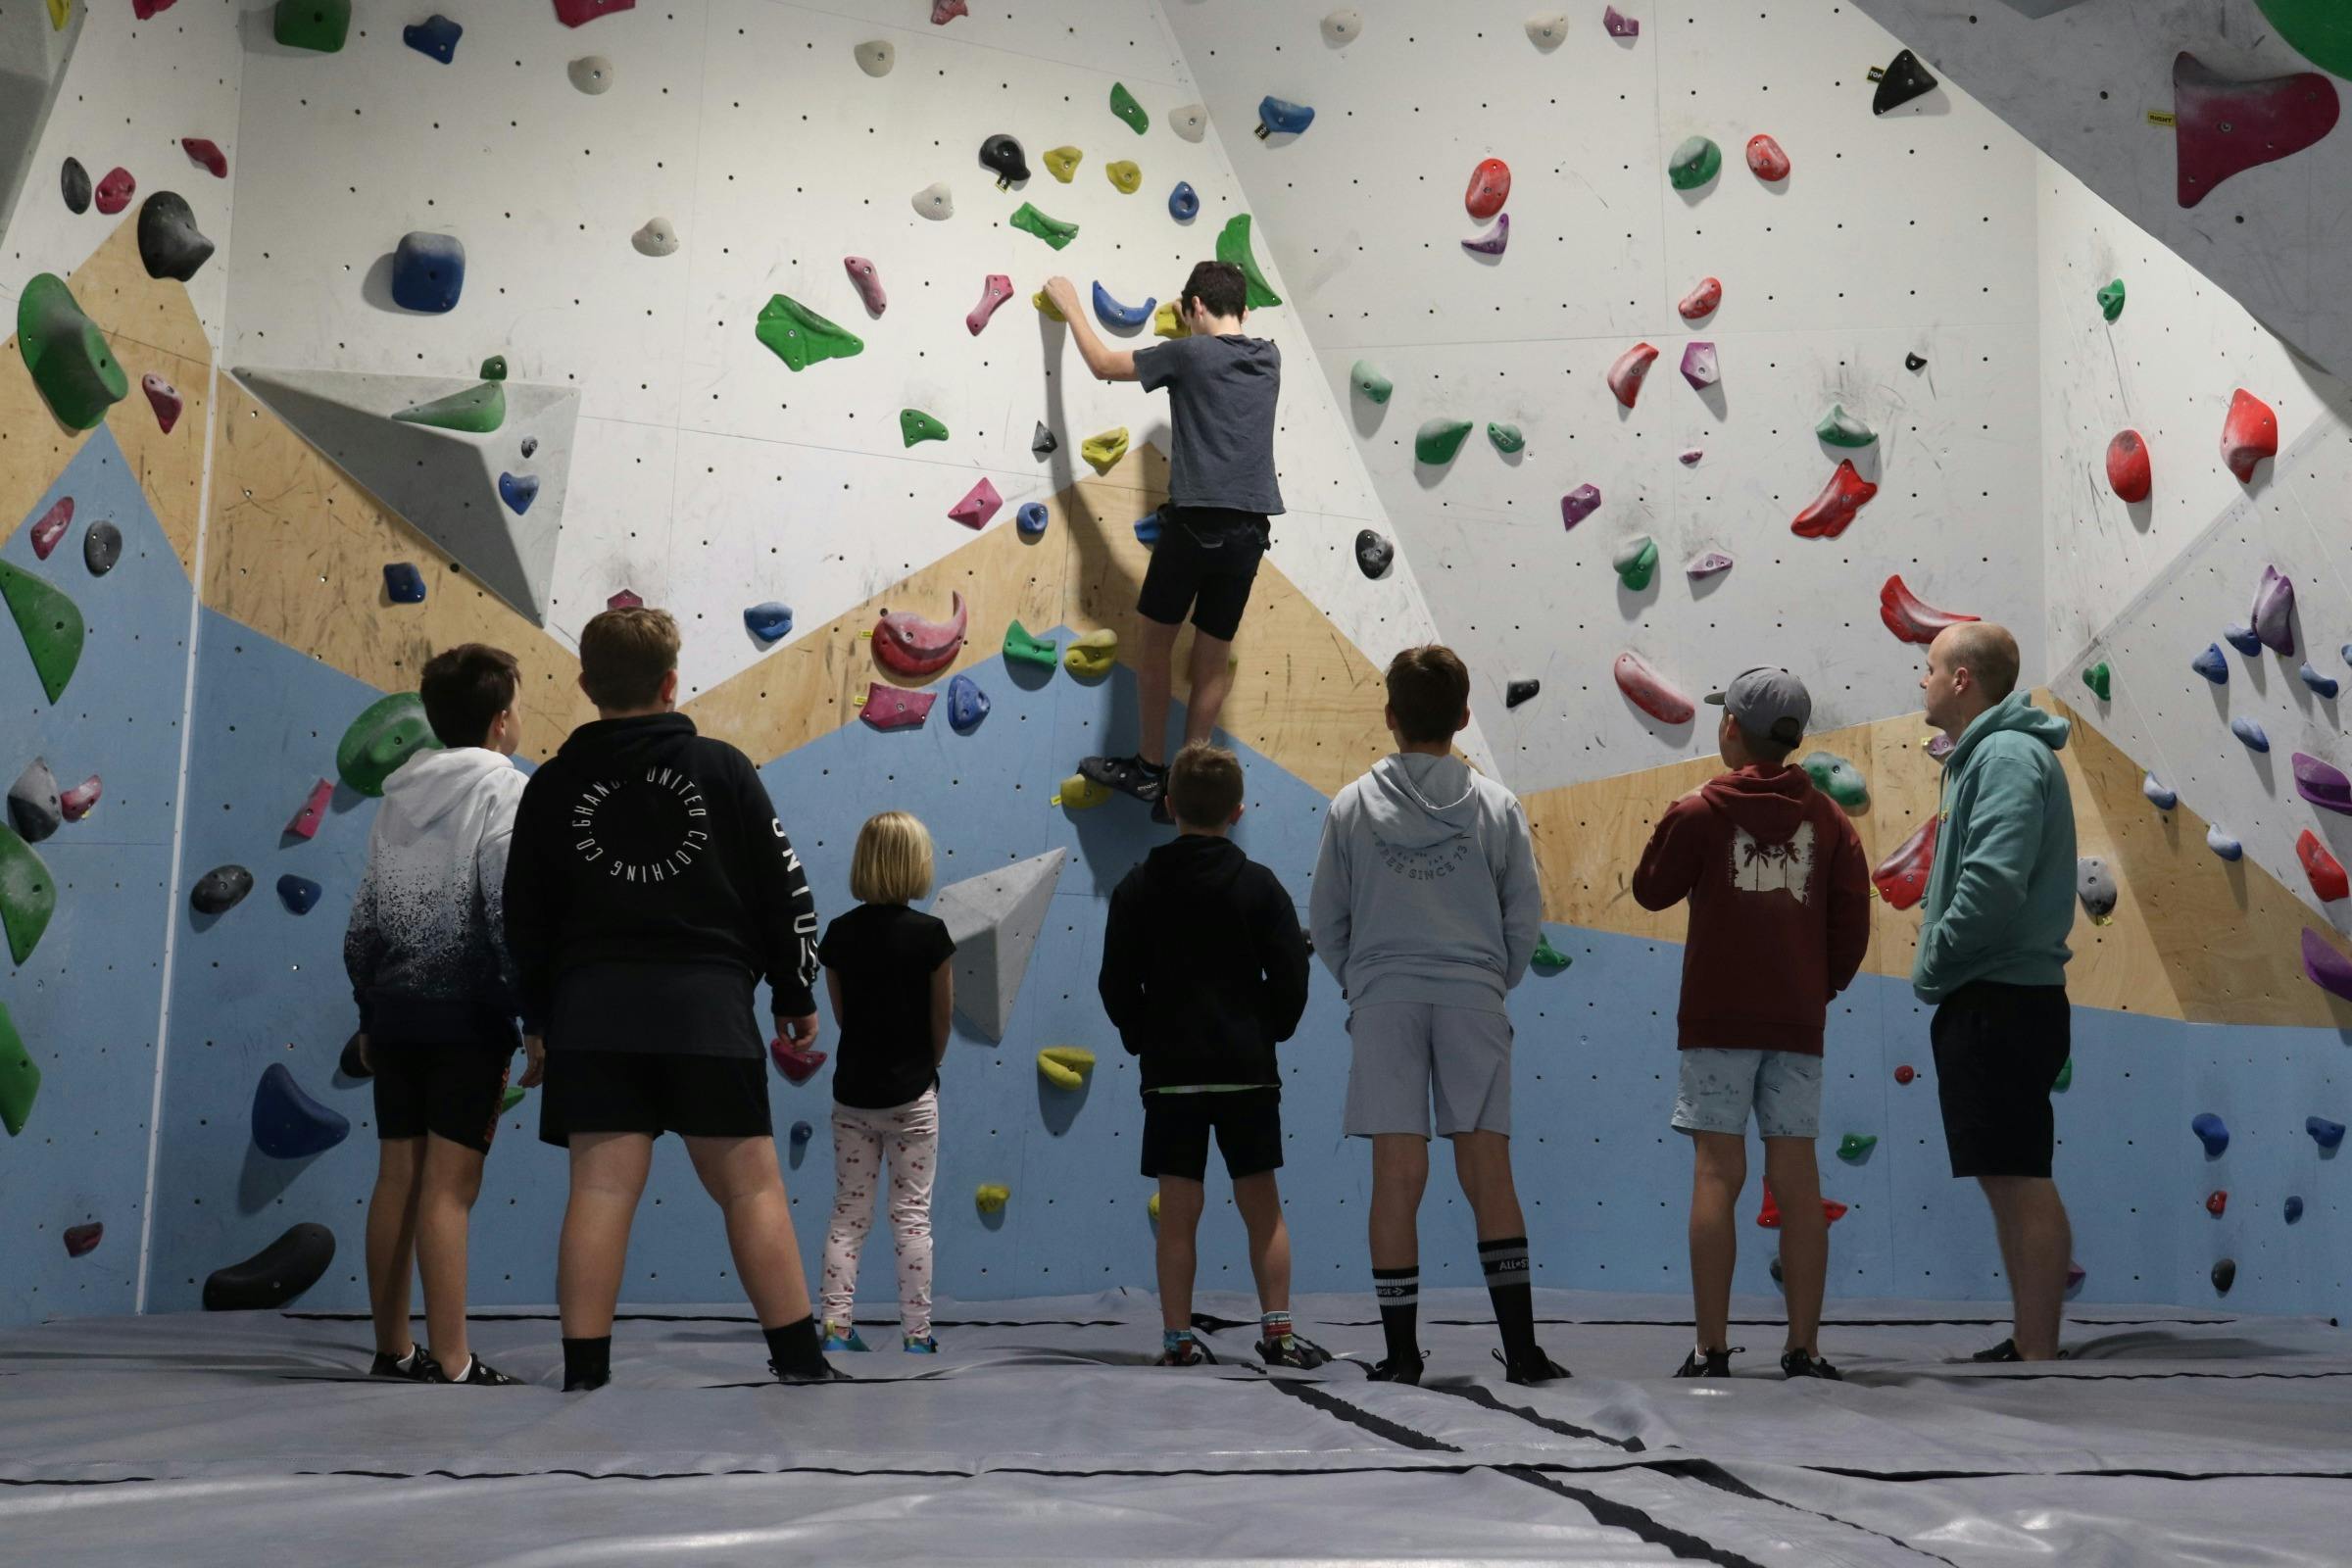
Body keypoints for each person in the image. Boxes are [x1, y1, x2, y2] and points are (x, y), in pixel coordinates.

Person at [503, 607, 840, 1390]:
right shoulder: (724, 770)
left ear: (584, 684)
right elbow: (785, 890)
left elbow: (523, 916)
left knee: (600, 1188)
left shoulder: (551, 787)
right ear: (670, 683)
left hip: (593, 1012)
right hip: (706, 1008)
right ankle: (799, 1363)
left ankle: (584, 1374)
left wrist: (537, 1019)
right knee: (750, 1187)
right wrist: (796, 989)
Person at [1307, 646, 1566, 1386]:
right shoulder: (1497, 805)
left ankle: (1401, 1354)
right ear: (1463, 717)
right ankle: (1521, 1353)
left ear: (1390, 717)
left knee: (1397, 1170)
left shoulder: (1352, 804)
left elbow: (1327, 920)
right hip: (1474, 997)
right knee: (1488, 1168)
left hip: (1384, 996)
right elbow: (1523, 916)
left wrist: (1363, 981)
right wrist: (1492, 980)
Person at [1631, 667, 1871, 1381]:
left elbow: (1650, 891)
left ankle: (1710, 1349)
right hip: (1796, 1022)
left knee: (1716, 1170)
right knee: (1796, 1173)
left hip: (1716, 1020)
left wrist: (1673, 823)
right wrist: (1814, 989)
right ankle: (1804, 1348)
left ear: (1730, 726)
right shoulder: (1830, 821)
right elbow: (1851, 925)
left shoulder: (1700, 810)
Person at [346, 643, 535, 1387]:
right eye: (516, 705)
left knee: (397, 1176)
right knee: (449, 1191)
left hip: (393, 1013)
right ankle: (454, 1358)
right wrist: (536, 1017)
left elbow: (365, 921)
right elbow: (505, 911)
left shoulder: (396, 797)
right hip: (466, 1015)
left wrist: (369, 1009)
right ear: (498, 722)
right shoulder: (505, 791)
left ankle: (394, 1349)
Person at [1099, 744, 1323, 1369]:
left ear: (1168, 807)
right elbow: (1291, 975)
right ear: (1238, 810)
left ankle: (1176, 1340)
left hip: (1171, 1074)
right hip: (1246, 1071)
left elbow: (1116, 984)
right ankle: (1277, 1335)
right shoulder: (1261, 886)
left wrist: (1143, 1035)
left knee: (1178, 1212)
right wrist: (1270, 1030)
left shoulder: (1137, 887)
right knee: (1261, 1204)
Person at [1044, 261, 1283, 824]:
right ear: (1245, 311)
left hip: (1195, 527)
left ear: (1195, 307)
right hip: (1250, 532)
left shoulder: (1187, 355)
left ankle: (1152, 770)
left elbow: (1104, 364)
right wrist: (1195, 313)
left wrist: (1071, 303)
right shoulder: (1269, 358)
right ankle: (1190, 784)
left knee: (1154, 647)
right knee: (1211, 661)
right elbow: (1226, 324)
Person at [1915, 622, 2078, 1363]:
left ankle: (2039, 1352)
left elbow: (1991, 884)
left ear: (1961, 680)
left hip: (2000, 997)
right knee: (2007, 1177)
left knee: (2019, 1178)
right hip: (1995, 995)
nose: (1920, 681)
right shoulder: (1985, 757)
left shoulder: (2008, 756)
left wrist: (1935, 962)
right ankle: (2030, 1341)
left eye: (1928, 667)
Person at [815, 811, 953, 1355]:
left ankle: (834, 1327)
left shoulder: (840, 935)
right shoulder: (931, 936)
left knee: (849, 1213)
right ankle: (917, 1334)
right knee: (911, 1217)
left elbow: (844, 1015)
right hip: (912, 1095)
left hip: (853, 1094)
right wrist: (925, 1067)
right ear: (917, 864)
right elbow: (940, 1020)